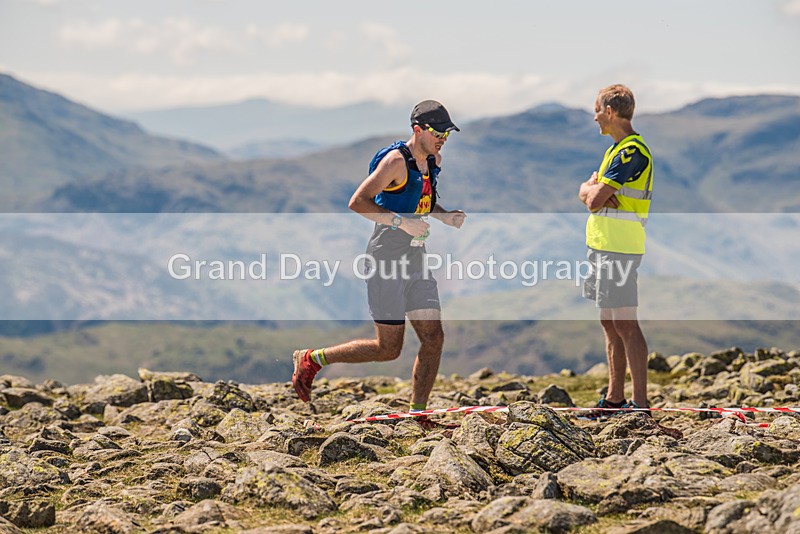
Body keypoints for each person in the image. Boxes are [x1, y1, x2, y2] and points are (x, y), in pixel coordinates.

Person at [292, 100, 466, 419]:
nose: (443, 138)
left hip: (415, 257)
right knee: (388, 349)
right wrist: (402, 223)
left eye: (447, 133)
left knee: (433, 337)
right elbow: (358, 202)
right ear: (418, 130)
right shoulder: (395, 162)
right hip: (385, 257)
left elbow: (422, 203)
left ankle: (417, 414)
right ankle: (312, 358)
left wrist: (444, 216)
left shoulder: (433, 160)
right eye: (438, 132)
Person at [577, 84, 654, 420]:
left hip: (619, 248)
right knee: (609, 322)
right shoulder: (616, 150)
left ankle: (639, 404)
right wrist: (589, 189)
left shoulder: (630, 153)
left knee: (624, 323)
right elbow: (590, 194)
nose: (594, 117)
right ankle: (614, 399)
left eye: (597, 110)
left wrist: (590, 189)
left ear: (609, 111)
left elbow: (593, 200)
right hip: (604, 245)